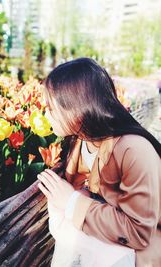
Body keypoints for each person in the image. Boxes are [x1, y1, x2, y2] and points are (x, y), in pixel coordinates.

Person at [37, 58, 161, 267]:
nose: (45, 115)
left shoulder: (134, 150)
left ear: (76, 105)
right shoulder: (80, 141)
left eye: (51, 107)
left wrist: (72, 202)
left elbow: (139, 232)